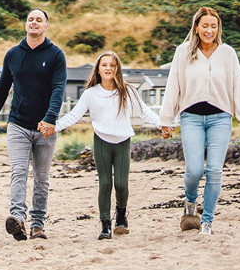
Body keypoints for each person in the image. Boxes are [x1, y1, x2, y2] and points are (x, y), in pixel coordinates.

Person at [158, 7, 240, 236]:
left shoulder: (227, 53)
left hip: (221, 118)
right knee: (194, 170)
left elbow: (239, 86)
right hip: (191, 118)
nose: (209, 30)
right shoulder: (183, 52)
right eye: (205, 25)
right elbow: (173, 85)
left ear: (218, 29)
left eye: (213, 26)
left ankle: (207, 221)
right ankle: (191, 202)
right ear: (196, 27)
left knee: (214, 170)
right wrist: (167, 119)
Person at [54, 50, 161, 240]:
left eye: (112, 65)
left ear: (117, 68)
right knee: (105, 184)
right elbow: (74, 115)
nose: (108, 68)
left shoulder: (127, 91)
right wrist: (54, 127)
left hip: (122, 143)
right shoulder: (90, 93)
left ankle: (121, 215)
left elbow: (145, 113)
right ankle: (105, 226)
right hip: (102, 142)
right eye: (104, 65)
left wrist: (163, 125)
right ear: (98, 69)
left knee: (121, 184)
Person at [0, 8, 67, 241]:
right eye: (30, 19)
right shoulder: (13, 54)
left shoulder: (55, 55)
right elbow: (2, 88)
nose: (34, 22)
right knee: (18, 172)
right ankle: (18, 219)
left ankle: (38, 225)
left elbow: (58, 89)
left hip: (45, 128)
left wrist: (51, 118)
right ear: (25, 24)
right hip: (18, 124)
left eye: (39, 20)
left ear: (46, 26)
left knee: (41, 178)